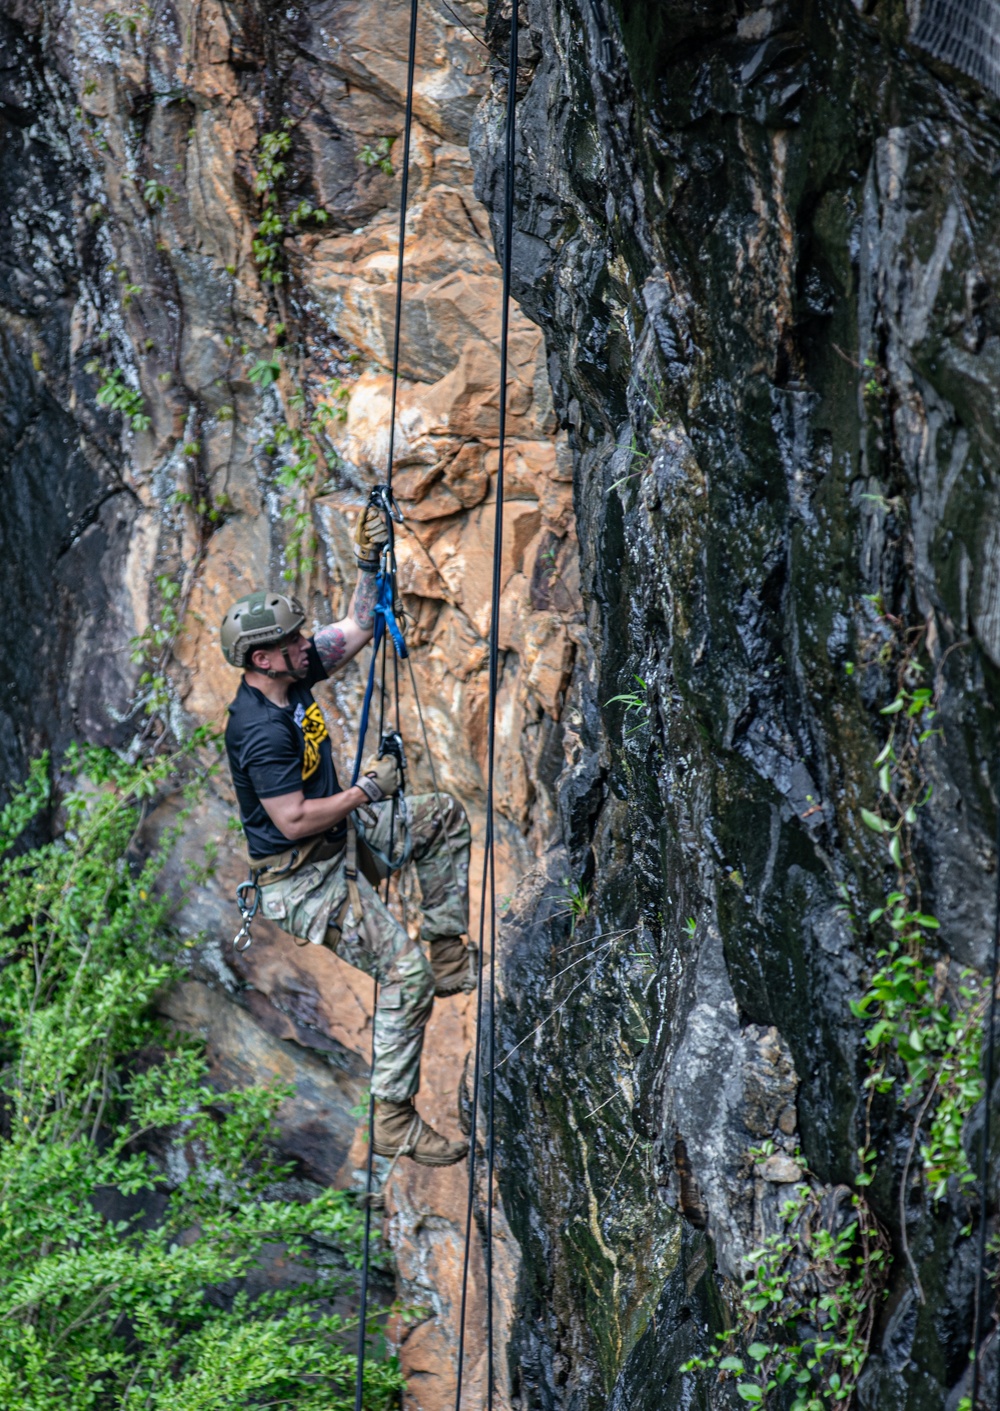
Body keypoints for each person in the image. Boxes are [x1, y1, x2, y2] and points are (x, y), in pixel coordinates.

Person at [220, 505, 476, 1166]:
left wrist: (368, 561)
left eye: (303, 634)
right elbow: (293, 819)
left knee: (443, 818)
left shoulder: (293, 676)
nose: (307, 641)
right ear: (262, 657)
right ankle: (392, 1117)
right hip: (304, 877)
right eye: (294, 638)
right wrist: (367, 789)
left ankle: (450, 952)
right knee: (402, 976)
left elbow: (360, 623)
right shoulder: (260, 732)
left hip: (340, 836)